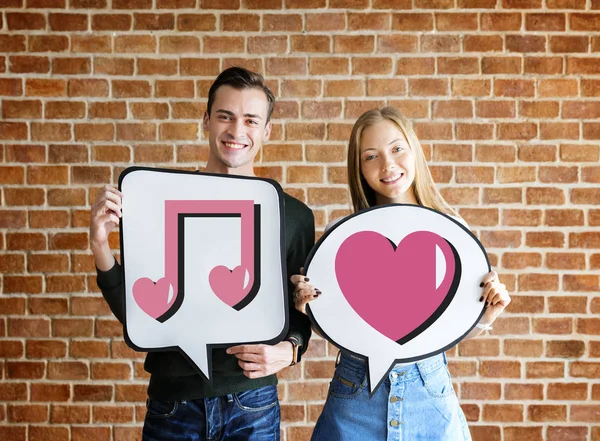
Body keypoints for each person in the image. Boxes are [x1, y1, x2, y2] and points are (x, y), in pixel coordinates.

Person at [90, 67, 315, 441]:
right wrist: (100, 246)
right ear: (207, 120)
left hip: (252, 403)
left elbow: (301, 310)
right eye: (225, 116)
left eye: (250, 120)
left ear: (266, 131)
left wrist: (290, 350)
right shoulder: (159, 201)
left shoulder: (292, 216)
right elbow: (140, 315)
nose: (236, 131)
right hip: (173, 403)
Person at [291, 107, 511, 441]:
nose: (388, 165)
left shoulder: (454, 234)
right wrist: (309, 307)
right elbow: (338, 329)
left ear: (414, 151)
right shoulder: (343, 240)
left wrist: (485, 316)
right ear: (359, 168)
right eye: (371, 156)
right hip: (355, 396)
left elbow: (445, 333)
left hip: (429, 394)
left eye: (397, 149)